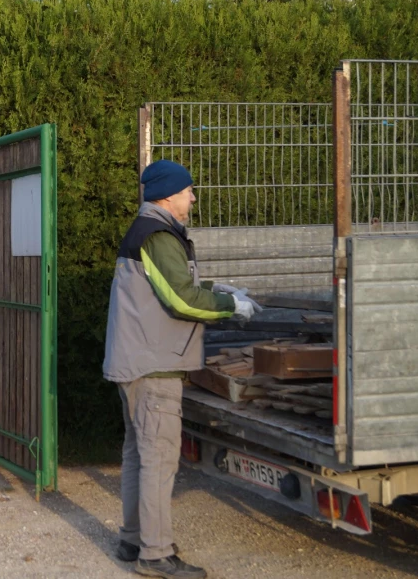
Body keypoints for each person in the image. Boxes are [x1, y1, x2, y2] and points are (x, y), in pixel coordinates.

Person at [102, 160, 261, 579]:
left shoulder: (148, 231)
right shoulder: (157, 235)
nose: (193, 197)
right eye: (189, 190)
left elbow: (172, 287)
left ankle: (132, 539)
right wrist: (231, 306)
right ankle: (155, 555)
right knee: (158, 460)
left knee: (138, 455)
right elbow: (180, 300)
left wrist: (218, 289)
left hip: (135, 362)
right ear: (169, 195)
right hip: (154, 368)